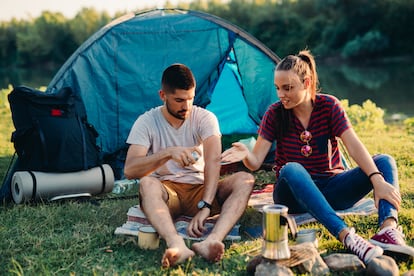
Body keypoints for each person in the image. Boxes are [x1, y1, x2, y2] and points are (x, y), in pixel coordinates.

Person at [221, 49, 413, 264]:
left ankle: (387, 230)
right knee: (292, 168)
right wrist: (246, 154)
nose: (281, 94)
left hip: (332, 188)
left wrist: (377, 180)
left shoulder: (329, 106)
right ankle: (347, 237)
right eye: (277, 88)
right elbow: (255, 163)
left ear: (307, 82)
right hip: (291, 194)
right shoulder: (274, 114)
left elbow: (354, 146)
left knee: (384, 161)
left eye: (288, 88)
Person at [124, 63, 254, 268]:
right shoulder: (146, 121)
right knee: (147, 183)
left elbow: (213, 163)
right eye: (179, 100)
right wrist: (167, 153)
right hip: (167, 194)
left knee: (245, 179)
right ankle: (176, 244)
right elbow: (130, 170)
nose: (186, 106)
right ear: (162, 95)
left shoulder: (205, 118)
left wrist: (206, 206)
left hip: (201, 191)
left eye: (190, 99)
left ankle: (213, 240)